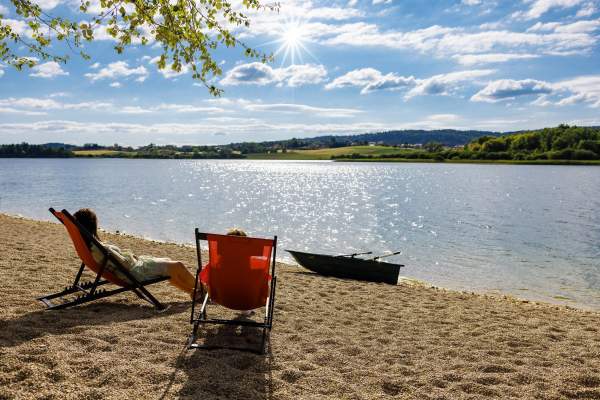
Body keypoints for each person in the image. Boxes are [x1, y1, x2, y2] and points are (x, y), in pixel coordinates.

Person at [73, 208, 196, 297]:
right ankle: (204, 289)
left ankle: (194, 292)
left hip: (132, 270)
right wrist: (133, 258)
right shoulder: (101, 249)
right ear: (92, 226)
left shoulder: (91, 246)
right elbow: (125, 263)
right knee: (178, 265)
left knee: (169, 263)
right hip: (135, 273)